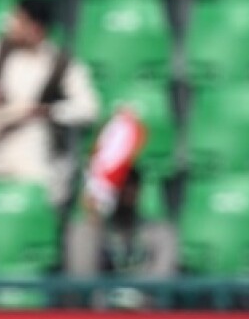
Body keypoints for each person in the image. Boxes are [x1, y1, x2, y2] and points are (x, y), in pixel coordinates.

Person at [0, 0, 100, 208]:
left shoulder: (61, 63)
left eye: (18, 20)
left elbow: (89, 109)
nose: (11, 25)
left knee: (35, 190)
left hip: (35, 144)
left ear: (35, 28)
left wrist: (48, 111)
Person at [63, 107, 177, 303]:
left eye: (132, 187)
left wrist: (133, 299)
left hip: (144, 315)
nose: (126, 194)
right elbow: (81, 279)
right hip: (100, 316)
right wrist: (94, 225)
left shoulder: (159, 233)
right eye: (120, 187)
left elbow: (162, 280)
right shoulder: (86, 231)